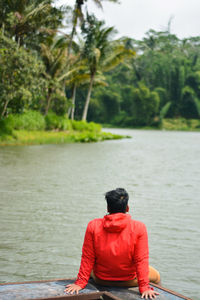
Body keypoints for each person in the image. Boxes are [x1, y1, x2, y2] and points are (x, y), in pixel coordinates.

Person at [65, 188, 160, 299]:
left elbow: (88, 257)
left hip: (101, 279)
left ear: (108, 208)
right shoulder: (139, 227)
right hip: (128, 280)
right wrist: (144, 287)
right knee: (156, 276)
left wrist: (80, 283)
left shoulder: (93, 225)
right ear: (127, 208)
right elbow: (141, 260)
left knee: (91, 268)